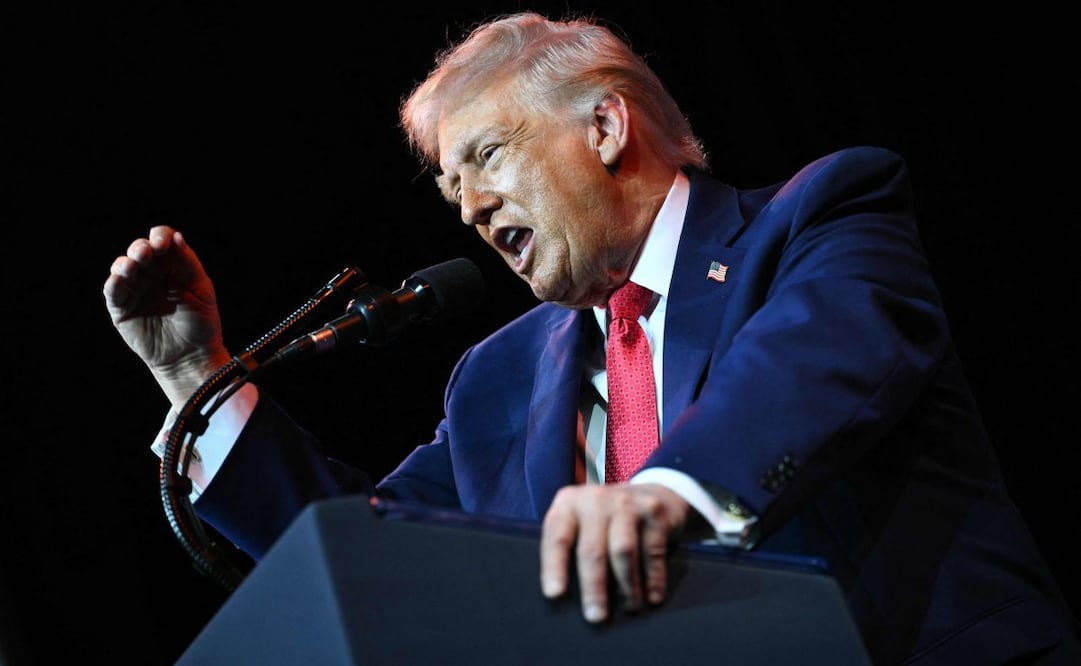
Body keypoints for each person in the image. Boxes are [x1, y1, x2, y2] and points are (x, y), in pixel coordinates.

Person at [104, 11, 1079, 664]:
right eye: (450, 191)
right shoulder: (496, 380)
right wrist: (198, 376)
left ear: (606, 126)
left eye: (484, 159)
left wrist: (663, 495)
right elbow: (366, 551)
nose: (472, 211)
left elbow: (820, 362)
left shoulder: (816, 219)